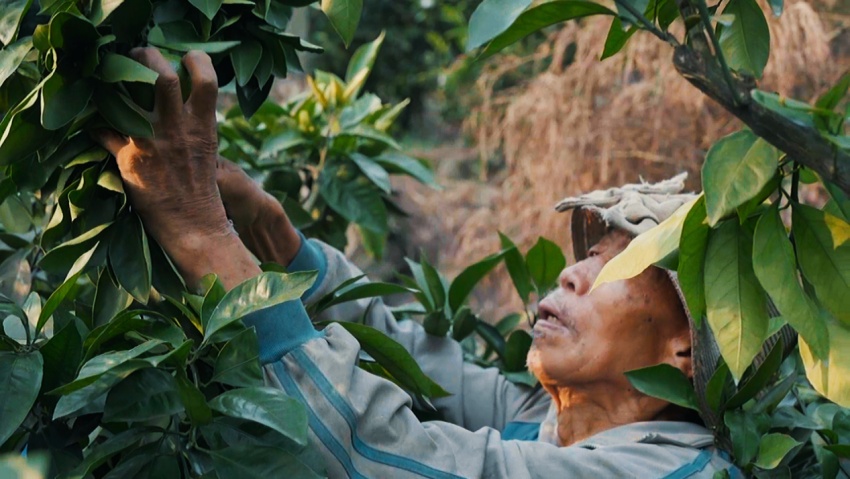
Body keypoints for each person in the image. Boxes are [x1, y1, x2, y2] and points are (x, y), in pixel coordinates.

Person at [95, 49, 739, 478]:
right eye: (589, 254)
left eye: (618, 266)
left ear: (685, 349)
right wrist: (270, 233)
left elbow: (393, 456)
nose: (572, 273)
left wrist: (203, 236)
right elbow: (413, 357)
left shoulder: (665, 471)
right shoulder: (550, 418)